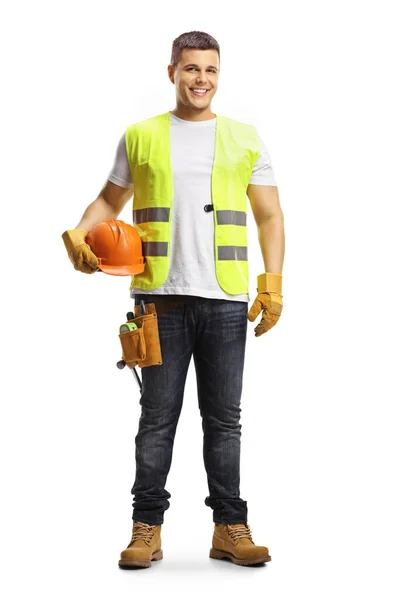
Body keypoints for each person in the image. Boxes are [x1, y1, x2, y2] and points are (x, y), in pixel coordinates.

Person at [62, 30, 285, 569]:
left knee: (224, 420)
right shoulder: (139, 136)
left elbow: (270, 215)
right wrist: (76, 234)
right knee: (156, 418)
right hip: (158, 299)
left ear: (218, 75)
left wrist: (271, 282)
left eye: (209, 69)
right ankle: (147, 529)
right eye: (190, 69)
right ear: (172, 73)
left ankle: (230, 527)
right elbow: (108, 201)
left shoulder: (245, 138)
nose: (200, 79)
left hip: (225, 298)